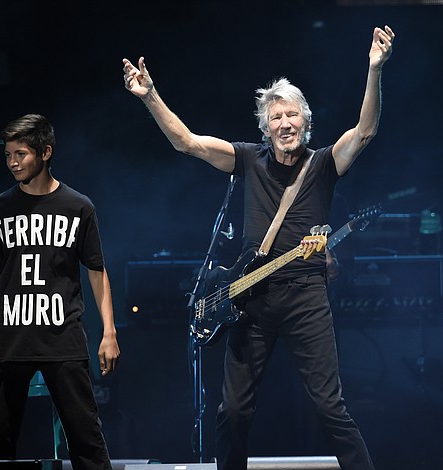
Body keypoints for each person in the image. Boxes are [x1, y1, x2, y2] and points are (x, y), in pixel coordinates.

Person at [123, 25, 395, 470]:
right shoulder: (248, 159)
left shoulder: (324, 163)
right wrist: (150, 96)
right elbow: (187, 143)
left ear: (306, 120)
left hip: (306, 296)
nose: (285, 124)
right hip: (250, 297)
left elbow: (365, 132)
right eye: (276, 118)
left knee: (330, 407)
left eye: (292, 115)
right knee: (232, 411)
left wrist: (374, 69)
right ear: (265, 127)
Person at [0, 114, 120, 469]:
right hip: (12, 339)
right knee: (0, 440)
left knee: (86, 438)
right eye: (8, 155)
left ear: (45, 152)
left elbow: (97, 272)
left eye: (20, 154)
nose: (12, 163)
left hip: (63, 337)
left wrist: (109, 333)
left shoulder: (78, 206)